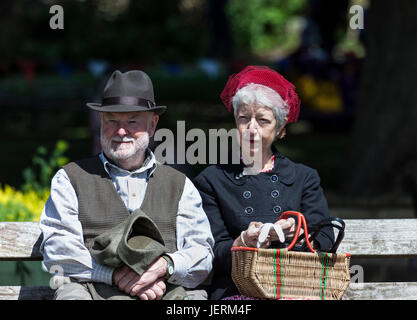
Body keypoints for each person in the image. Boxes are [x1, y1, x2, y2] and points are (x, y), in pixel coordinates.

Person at [39, 70, 214, 300]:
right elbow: (58, 251)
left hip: (163, 293)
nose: (121, 131)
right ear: (100, 122)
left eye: (132, 121)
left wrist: (163, 267)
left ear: (152, 126)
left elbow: (202, 254)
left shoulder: (180, 185)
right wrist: (113, 275)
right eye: (112, 120)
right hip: (91, 292)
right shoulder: (70, 179)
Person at [193, 65, 334, 300]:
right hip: (236, 290)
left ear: (281, 130)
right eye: (244, 118)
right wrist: (242, 242)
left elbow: (326, 238)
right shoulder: (212, 180)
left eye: (263, 121)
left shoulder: (303, 178)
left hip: (295, 286)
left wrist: (295, 234)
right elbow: (212, 254)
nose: (251, 129)